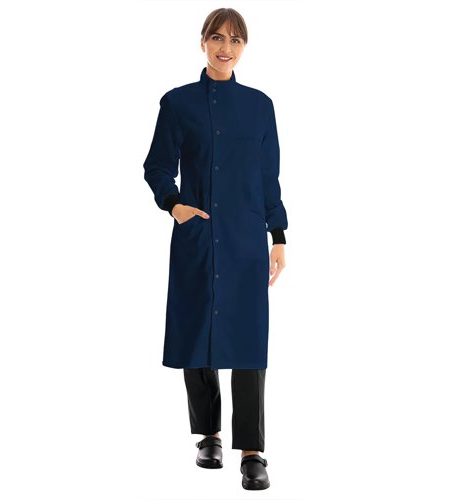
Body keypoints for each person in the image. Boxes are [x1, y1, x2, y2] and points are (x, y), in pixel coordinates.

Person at [143, 7, 288, 491]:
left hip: (246, 240)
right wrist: (174, 205)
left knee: (248, 339)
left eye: (235, 40)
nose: (226, 48)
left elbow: (268, 177)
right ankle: (208, 434)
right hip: (199, 236)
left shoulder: (260, 106)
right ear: (203, 41)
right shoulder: (177, 103)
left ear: (244, 47)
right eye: (218, 38)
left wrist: (278, 235)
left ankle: (252, 450)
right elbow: (157, 165)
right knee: (196, 332)